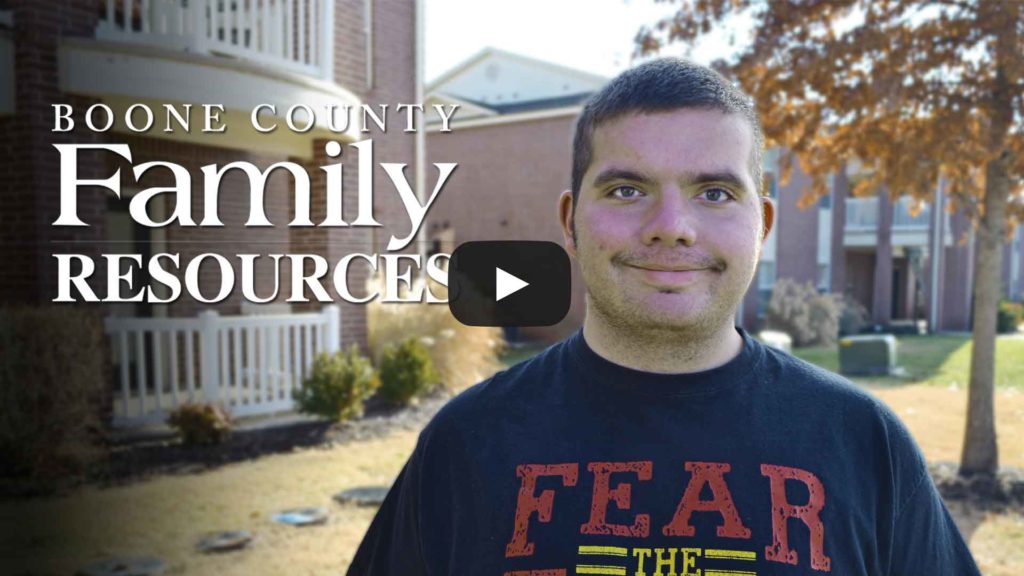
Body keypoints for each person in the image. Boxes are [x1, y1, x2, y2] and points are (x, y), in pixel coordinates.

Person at [346, 58, 981, 576]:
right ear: (570, 221)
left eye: (714, 192)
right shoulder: (466, 443)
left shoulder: (864, 444)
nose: (672, 228)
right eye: (628, 190)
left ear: (760, 226)